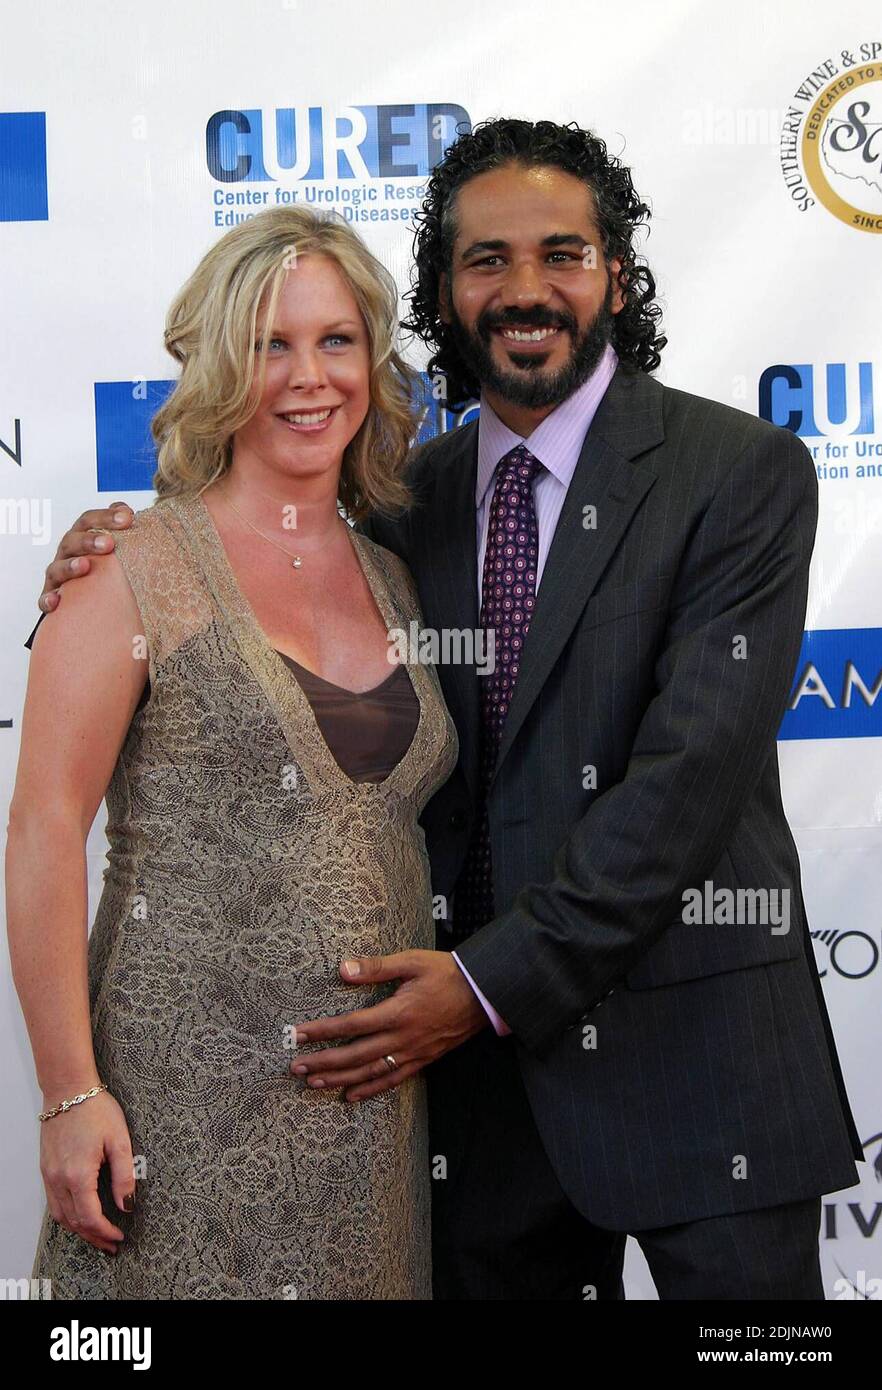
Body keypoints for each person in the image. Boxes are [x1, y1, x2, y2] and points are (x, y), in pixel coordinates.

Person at [28, 118, 862, 1301]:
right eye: (487, 262)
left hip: (699, 1078)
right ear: (445, 295)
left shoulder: (738, 473)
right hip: (470, 1113)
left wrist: (478, 987)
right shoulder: (403, 506)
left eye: (563, 254)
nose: (527, 290)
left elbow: (685, 786)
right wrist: (101, 556)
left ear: (615, 273)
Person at [7, 205, 463, 1300]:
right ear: (221, 363)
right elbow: (42, 829)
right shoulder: (132, 563)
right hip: (172, 1111)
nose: (310, 376)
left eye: (336, 340)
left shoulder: (395, 577)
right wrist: (71, 1095)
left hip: (369, 1119)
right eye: (271, 343)